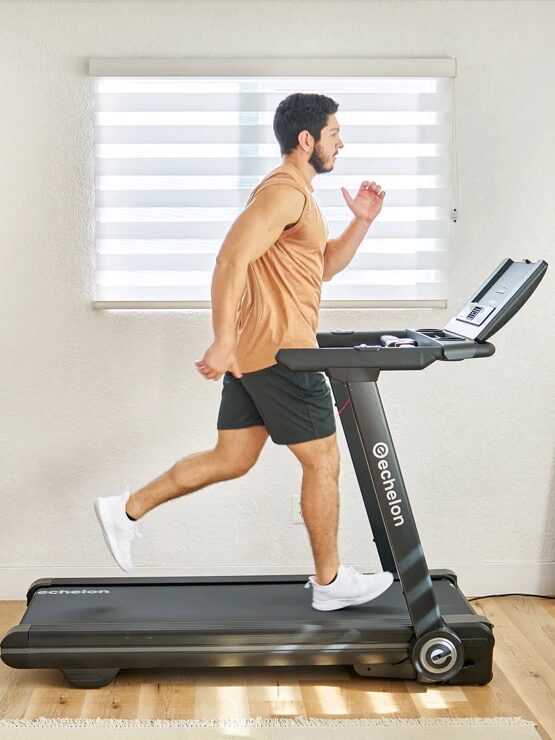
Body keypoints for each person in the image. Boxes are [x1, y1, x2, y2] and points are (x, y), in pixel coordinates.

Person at [95, 92, 393, 611]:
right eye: (334, 132)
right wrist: (223, 338)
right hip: (283, 354)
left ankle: (126, 509)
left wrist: (362, 221)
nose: (340, 142)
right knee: (323, 461)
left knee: (231, 458)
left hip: (263, 352)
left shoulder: (300, 195)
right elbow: (230, 259)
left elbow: (318, 268)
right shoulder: (284, 192)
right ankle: (329, 582)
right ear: (307, 139)